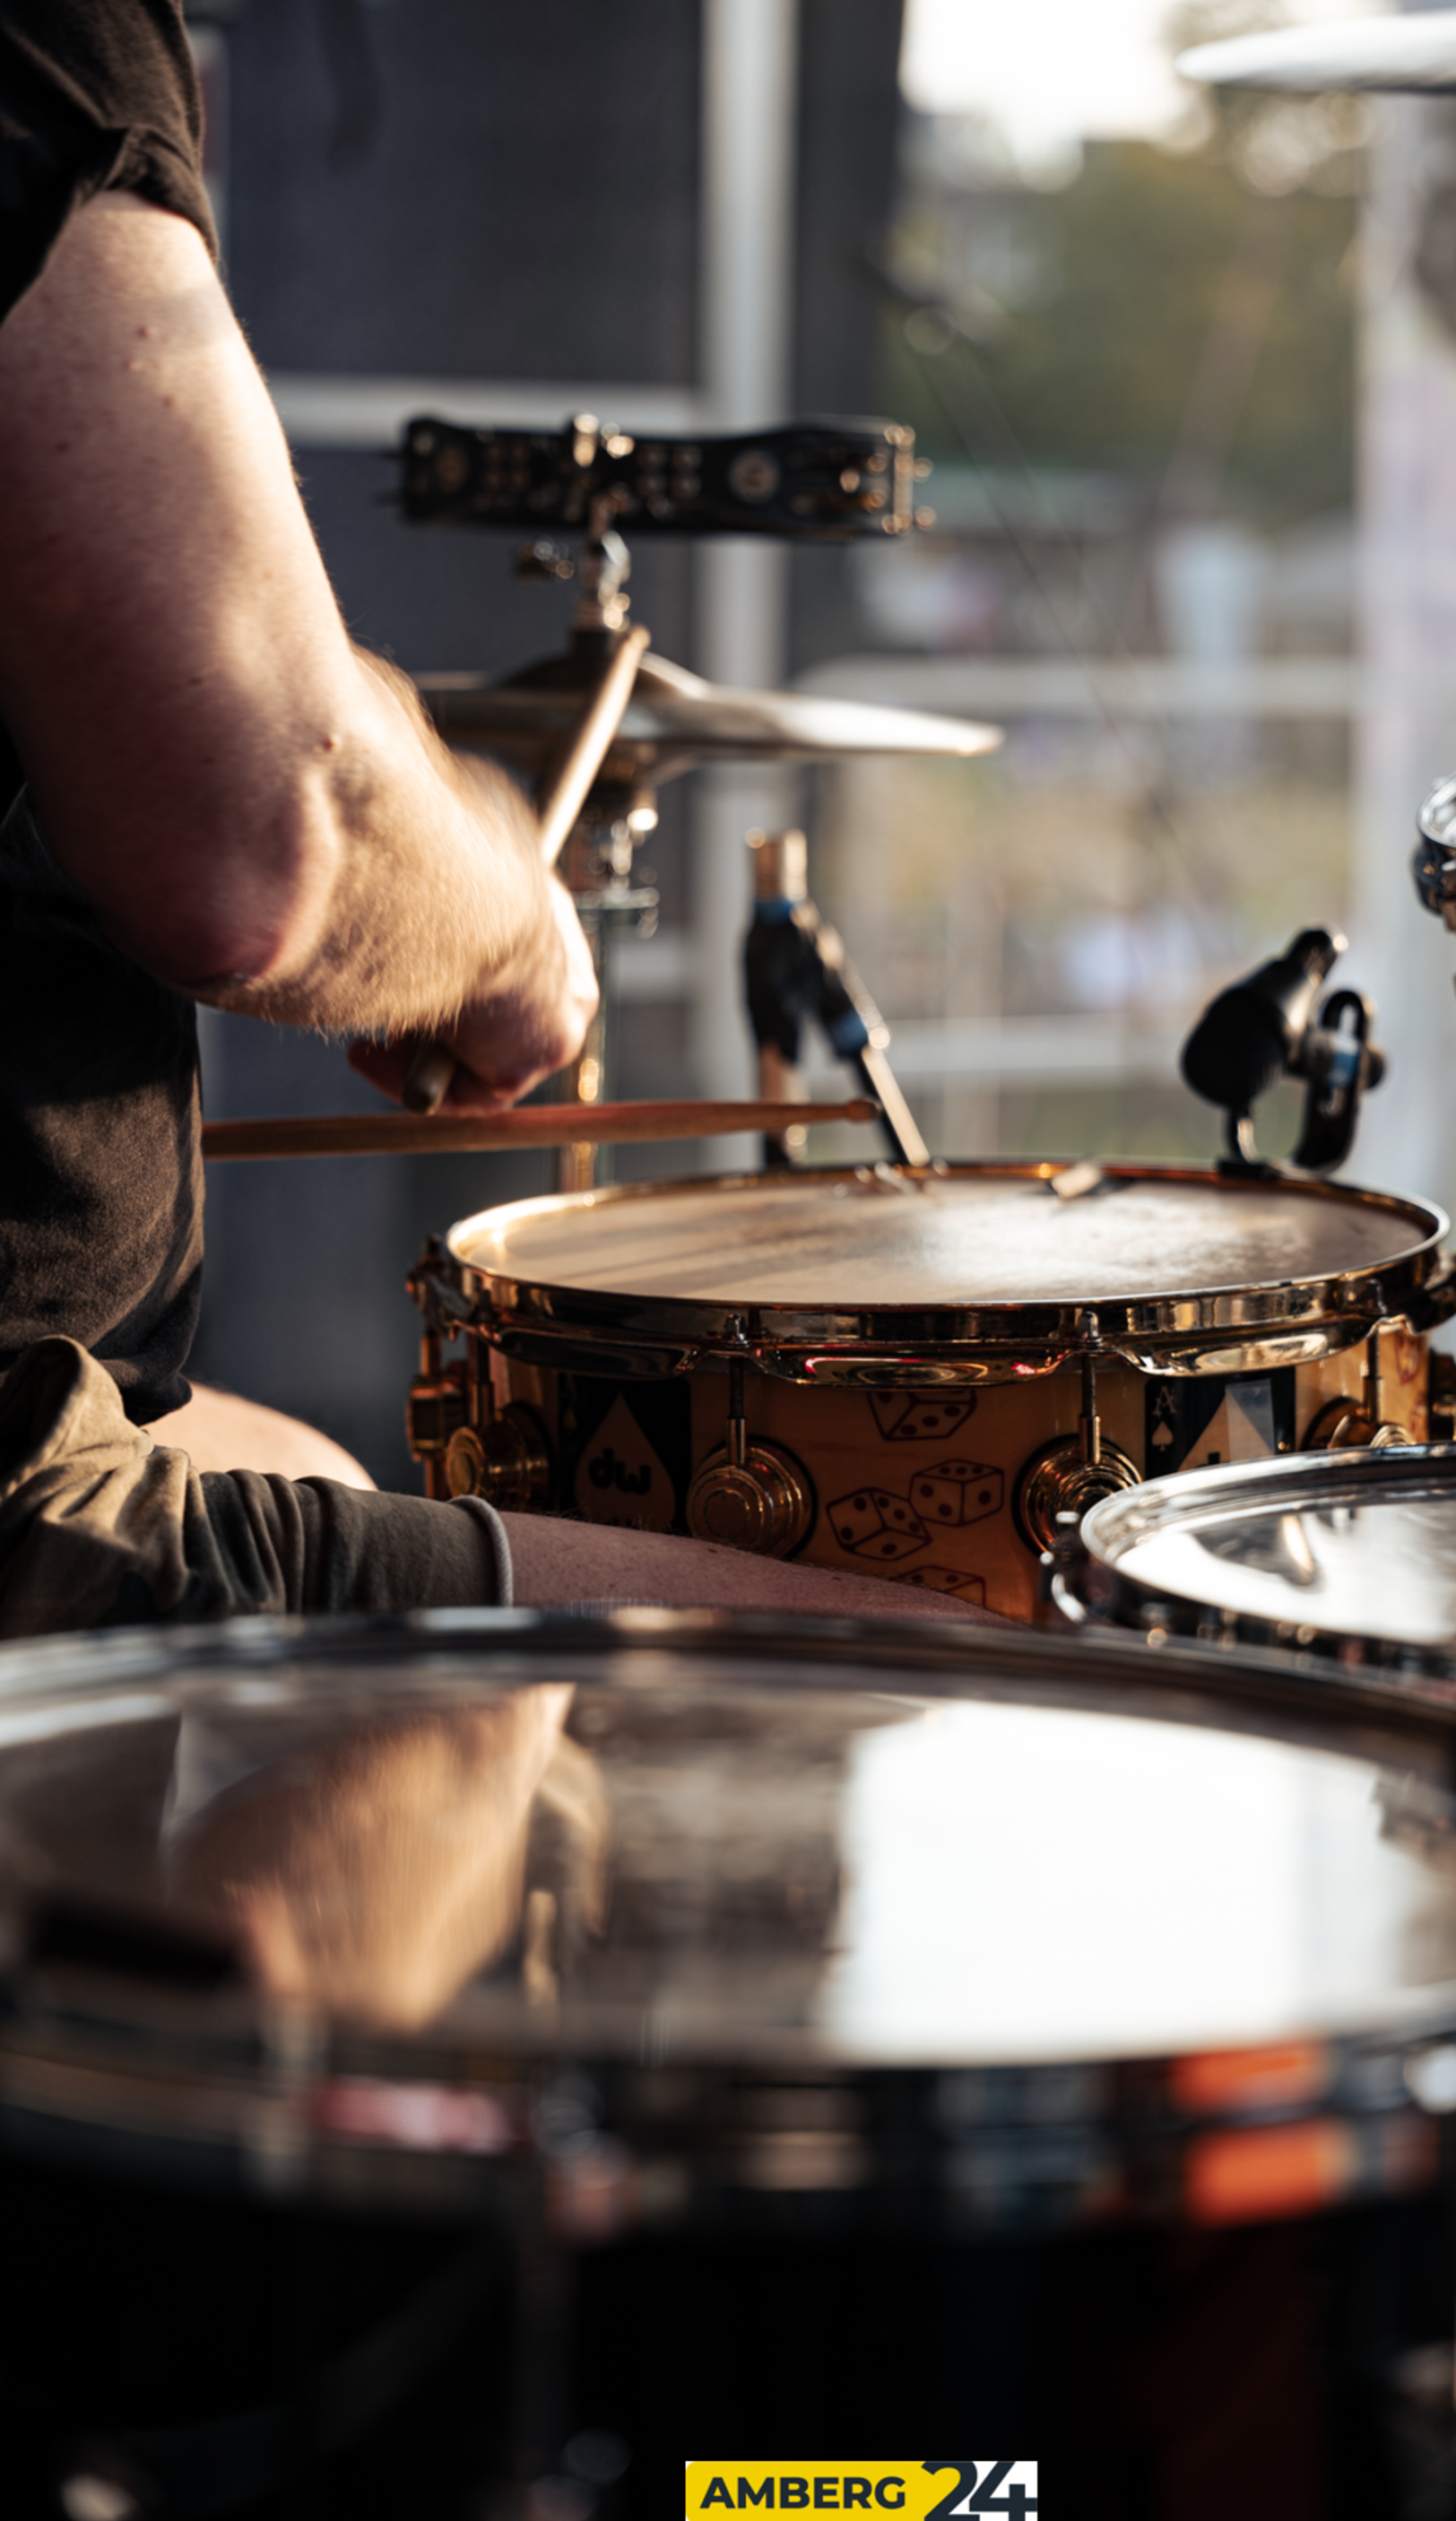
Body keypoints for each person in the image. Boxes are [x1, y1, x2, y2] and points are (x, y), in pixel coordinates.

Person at [0, 4, 992, 1636]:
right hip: (13, 1484)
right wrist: (516, 923)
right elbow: (277, 839)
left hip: (69, 1404)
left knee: (311, 1464)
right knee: (933, 1668)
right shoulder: (37, 47)